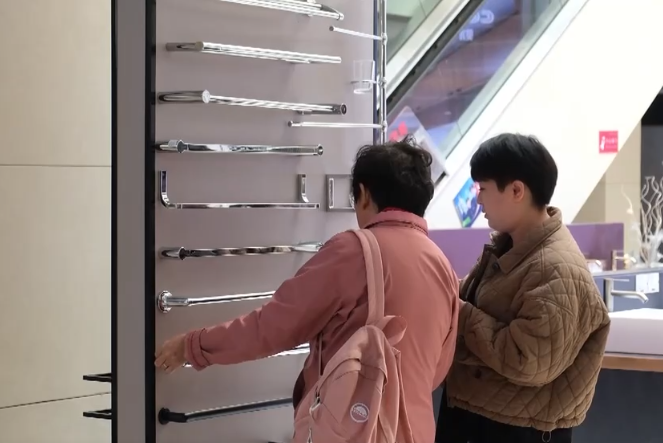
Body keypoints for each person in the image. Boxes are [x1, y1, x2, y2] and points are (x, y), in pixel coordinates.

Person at [154, 139, 460, 442]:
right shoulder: (442, 267)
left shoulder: (354, 252)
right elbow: (437, 368)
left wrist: (194, 346)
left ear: (364, 194)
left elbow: (272, 328)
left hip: (354, 432)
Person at [436, 133, 611, 443]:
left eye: (483, 189)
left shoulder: (555, 267)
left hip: (514, 430)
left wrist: (459, 313)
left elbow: (528, 359)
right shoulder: (512, 247)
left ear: (517, 190)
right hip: (479, 416)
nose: (478, 200)